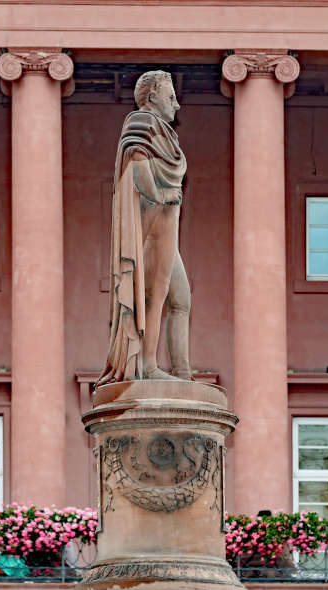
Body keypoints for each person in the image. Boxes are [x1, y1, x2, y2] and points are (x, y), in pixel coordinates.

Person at [97, 70, 192, 385]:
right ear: (152, 96)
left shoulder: (164, 132)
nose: (177, 105)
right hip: (152, 225)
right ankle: (148, 366)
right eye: (171, 96)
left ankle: (182, 374)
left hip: (168, 225)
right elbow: (137, 171)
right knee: (154, 295)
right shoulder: (140, 122)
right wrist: (163, 194)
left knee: (181, 299)